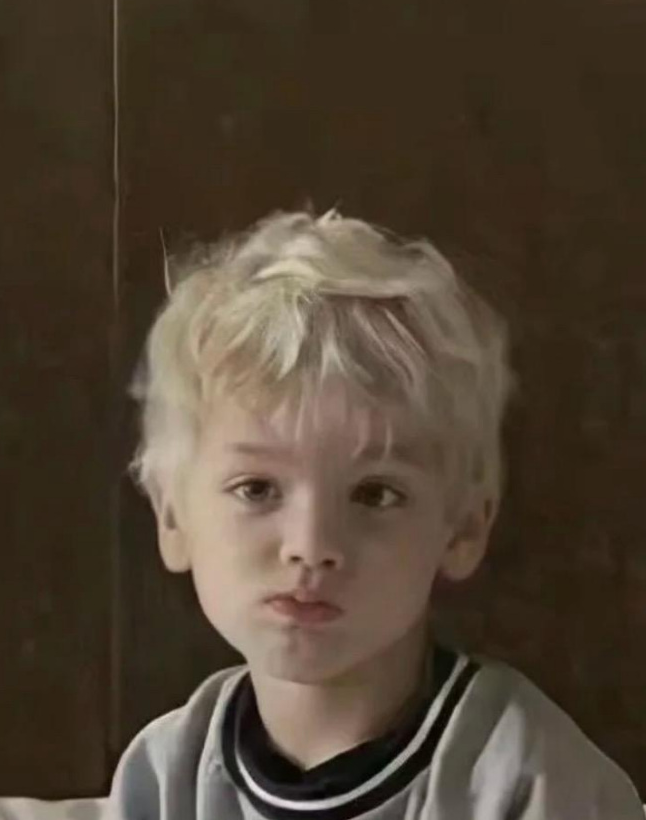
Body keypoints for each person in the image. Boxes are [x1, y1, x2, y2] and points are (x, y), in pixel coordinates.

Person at [106, 209, 643, 819]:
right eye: (256, 489)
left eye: (374, 494)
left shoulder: (525, 778)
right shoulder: (166, 773)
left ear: (464, 528)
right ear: (172, 516)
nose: (311, 546)